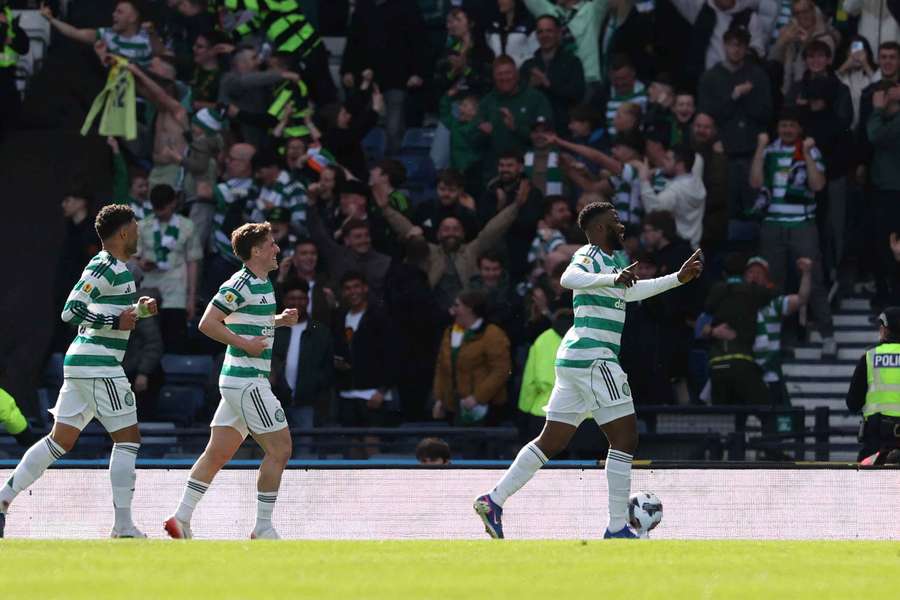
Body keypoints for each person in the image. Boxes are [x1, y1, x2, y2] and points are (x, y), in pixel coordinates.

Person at [473, 201, 704, 539]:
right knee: (625, 438)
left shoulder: (613, 262)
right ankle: (617, 527)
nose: (621, 225)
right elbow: (567, 278)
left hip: (576, 360)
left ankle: (493, 500)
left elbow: (630, 293)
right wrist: (613, 277)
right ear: (598, 228)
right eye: (615, 220)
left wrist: (677, 279)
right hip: (595, 358)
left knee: (551, 440)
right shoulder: (590, 254)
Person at [0, 205, 158, 539]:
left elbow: (110, 315)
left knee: (59, 441)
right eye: (135, 228)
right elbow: (71, 310)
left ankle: (2, 499)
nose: (139, 233)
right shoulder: (104, 265)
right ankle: (124, 527)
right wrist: (115, 320)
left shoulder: (116, 269)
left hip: (85, 362)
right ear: (123, 232)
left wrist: (138, 312)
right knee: (128, 440)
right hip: (99, 364)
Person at [165, 222, 299, 541]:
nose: (277, 249)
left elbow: (248, 321)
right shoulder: (239, 283)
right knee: (281, 449)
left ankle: (180, 519)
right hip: (247, 381)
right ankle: (262, 527)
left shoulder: (261, 282)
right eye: (271, 244)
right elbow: (207, 322)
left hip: (239, 381)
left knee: (217, 453)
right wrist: (244, 345)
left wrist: (278, 321)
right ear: (256, 251)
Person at [750, 108, 836, 356]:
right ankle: (778, 339)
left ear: (800, 129)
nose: (787, 130)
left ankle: (828, 336)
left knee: (813, 279)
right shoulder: (769, 151)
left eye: (791, 125)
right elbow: (755, 183)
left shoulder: (810, 150)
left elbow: (818, 184)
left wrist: (807, 153)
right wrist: (760, 147)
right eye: (783, 125)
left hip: (802, 225)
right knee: (773, 283)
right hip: (772, 225)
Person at [698, 26, 772, 222]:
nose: (736, 49)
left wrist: (747, 97)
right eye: (732, 45)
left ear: (747, 48)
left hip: (752, 153)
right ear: (724, 45)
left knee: (754, 209)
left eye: (741, 46)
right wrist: (734, 96)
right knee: (724, 210)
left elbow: (766, 113)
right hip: (723, 155)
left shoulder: (757, 75)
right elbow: (707, 115)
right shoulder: (711, 77)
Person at [136, 185, 202, 351]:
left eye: (163, 208)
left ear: (173, 203)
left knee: (174, 341)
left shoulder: (187, 226)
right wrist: (141, 263)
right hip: (148, 289)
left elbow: (193, 262)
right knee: (147, 339)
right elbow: (132, 257)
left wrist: (191, 298)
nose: (159, 212)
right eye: (156, 208)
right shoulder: (142, 226)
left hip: (176, 291)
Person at [433, 290, 511, 426]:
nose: (452, 310)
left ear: (470, 308)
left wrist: (477, 398)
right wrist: (440, 399)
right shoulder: (450, 332)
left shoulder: (492, 334)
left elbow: (501, 371)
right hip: (454, 407)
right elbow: (442, 368)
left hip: (484, 409)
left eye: (457, 305)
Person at [270, 279, 335, 430]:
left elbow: (327, 369)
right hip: (274, 403)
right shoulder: (274, 329)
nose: (296, 303)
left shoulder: (320, 332)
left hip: (307, 405)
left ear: (307, 301)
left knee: (305, 443)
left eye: (301, 298)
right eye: (292, 298)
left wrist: (313, 387)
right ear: (285, 301)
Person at [845, 307, 900, 462]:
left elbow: (853, 403)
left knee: (866, 475)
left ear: (885, 329)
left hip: (877, 444)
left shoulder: (870, 357)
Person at [519, 15, 585, 135]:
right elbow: (519, 98)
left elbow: (577, 95)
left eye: (549, 31)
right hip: (533, 131)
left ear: (558, 33)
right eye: (540, 32)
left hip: (564, 130)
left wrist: (548, 84)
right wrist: (530, 86)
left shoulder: (572, 62)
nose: (544, 35)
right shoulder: (528, 65)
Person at [40, 0, 157, 68]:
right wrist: (51, 19)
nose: (113, 15)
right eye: (115, 11)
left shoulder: (148, 37)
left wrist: (152, 34)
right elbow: (74, 32)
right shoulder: (107, 35)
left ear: (133, 18)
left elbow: (163, 55)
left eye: (119, 12)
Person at [635, 144, 707, 248]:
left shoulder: (675, 190)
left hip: (678, 249)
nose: (663, 161)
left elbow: (653, 211)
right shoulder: (697, 182)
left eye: (667, 159)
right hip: (694, 248)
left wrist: (644, 180)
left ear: (680, 165)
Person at [0, 2, 29, 140]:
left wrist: (8, 39)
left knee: (11, 120)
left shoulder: (9, 18)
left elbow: (24, 47)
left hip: (7, 76)